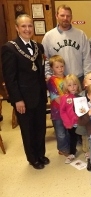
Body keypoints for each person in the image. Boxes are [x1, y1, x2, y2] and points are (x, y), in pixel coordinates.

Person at [1, 14, 49, 169]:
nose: (27, 29)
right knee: (28, 129)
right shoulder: (9, 48)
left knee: (40, 126)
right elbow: (10, 78)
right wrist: (17, 99)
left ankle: (41, 154)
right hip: (23, 98)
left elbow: (40, 72)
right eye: (23, 26)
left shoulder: (38, 46)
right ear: (17, 28)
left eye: (30, 26)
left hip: (39, 95)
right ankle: (33, 158)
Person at [42, 4, 91, 84]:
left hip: (78, 79)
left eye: (68, 16)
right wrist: (48, 76)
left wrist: (87, 78)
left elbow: (86, 59)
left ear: (71, 17)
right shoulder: (48, 36)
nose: (65, 18)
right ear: (56, 16)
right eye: (62, 15)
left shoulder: (81, 34)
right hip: (58, 80)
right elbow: (45, 60)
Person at [47, 55, 70, 156]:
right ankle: (62, 148)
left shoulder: (67, 78)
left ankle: (68, 146)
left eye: (62, 66)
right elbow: (55, 97)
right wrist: (66, 105)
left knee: (68, 129)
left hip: (68, 110)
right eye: (57, 67)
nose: (60, 69)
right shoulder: (51, 80)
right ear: (52, 68)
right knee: (60, 131)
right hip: (57, 111)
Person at [60, 74, 82, 164]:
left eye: (74, 84)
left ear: (78, 85)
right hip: (71, 123)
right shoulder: (64, 98)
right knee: (72, 138)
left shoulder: (81, 96)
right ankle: (72, 153)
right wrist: (67, 122)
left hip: (81, 122)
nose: (72, 87)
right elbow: (63, 111)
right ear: (66, 87)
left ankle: (87, 152)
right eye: (69, 85)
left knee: (84, 137)